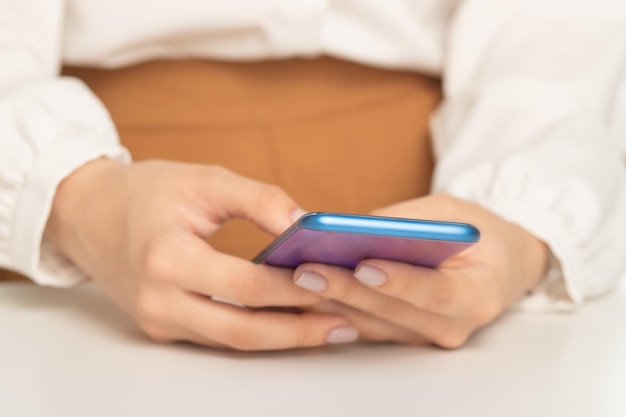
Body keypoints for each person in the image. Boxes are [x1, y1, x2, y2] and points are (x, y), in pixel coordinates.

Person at [1, 0, 625, 351]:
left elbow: (560, 24)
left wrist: (518, 226)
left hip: (444, 214)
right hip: (75, 245)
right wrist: (75, 195)